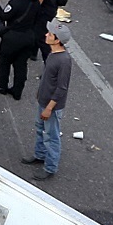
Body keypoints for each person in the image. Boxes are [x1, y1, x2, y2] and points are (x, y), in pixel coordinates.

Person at [22, 23, 72, 180]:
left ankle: (50, 167)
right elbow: (47, 78)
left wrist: (49, 108)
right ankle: (40, 155)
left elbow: (62, 88)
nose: (46, 35)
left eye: (50, 34)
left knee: (51, 136)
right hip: (43, 101)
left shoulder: (64, 61)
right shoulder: (52, 55)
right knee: (39, 128)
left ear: (57, 40)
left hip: (51, 106)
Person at [0, 0, 45, 100]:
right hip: (29, 37)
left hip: (13, 38)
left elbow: (4, 16)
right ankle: (17, 91)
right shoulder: (35, 2)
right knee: (21, 65)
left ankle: (2, 85)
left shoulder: (15, 2)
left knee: (4, 61)